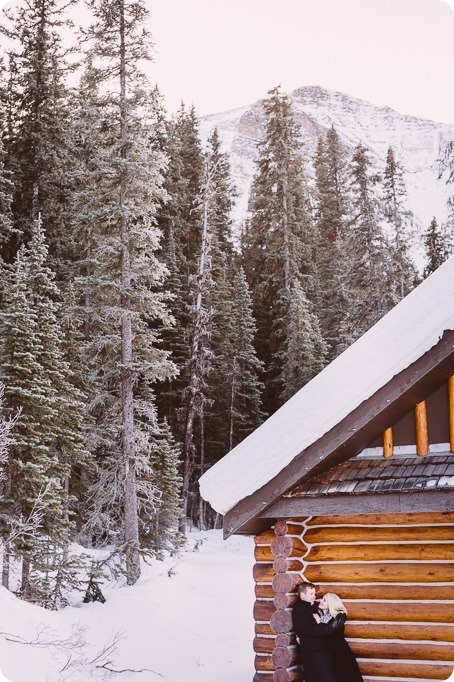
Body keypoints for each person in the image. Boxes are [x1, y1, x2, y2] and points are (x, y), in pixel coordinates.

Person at [292, 582, 342, 682]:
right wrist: (326, 628)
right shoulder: (299, 610)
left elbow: (330, 607)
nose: (314, 596)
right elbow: (310, 630)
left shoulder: (314, 605)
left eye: (314, 593)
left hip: (321, 649)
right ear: (302, 595)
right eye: (311, 594)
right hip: (312, 651)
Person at [316, 592, 364, 682]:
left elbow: (330, 630)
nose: (321, 601)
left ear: (331, 603)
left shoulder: (339, 616)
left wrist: (319, 623)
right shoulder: (318, 614)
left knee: (343, 676)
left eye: (324, 600)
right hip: (326, 652)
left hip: (339, 652)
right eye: (322, 599)